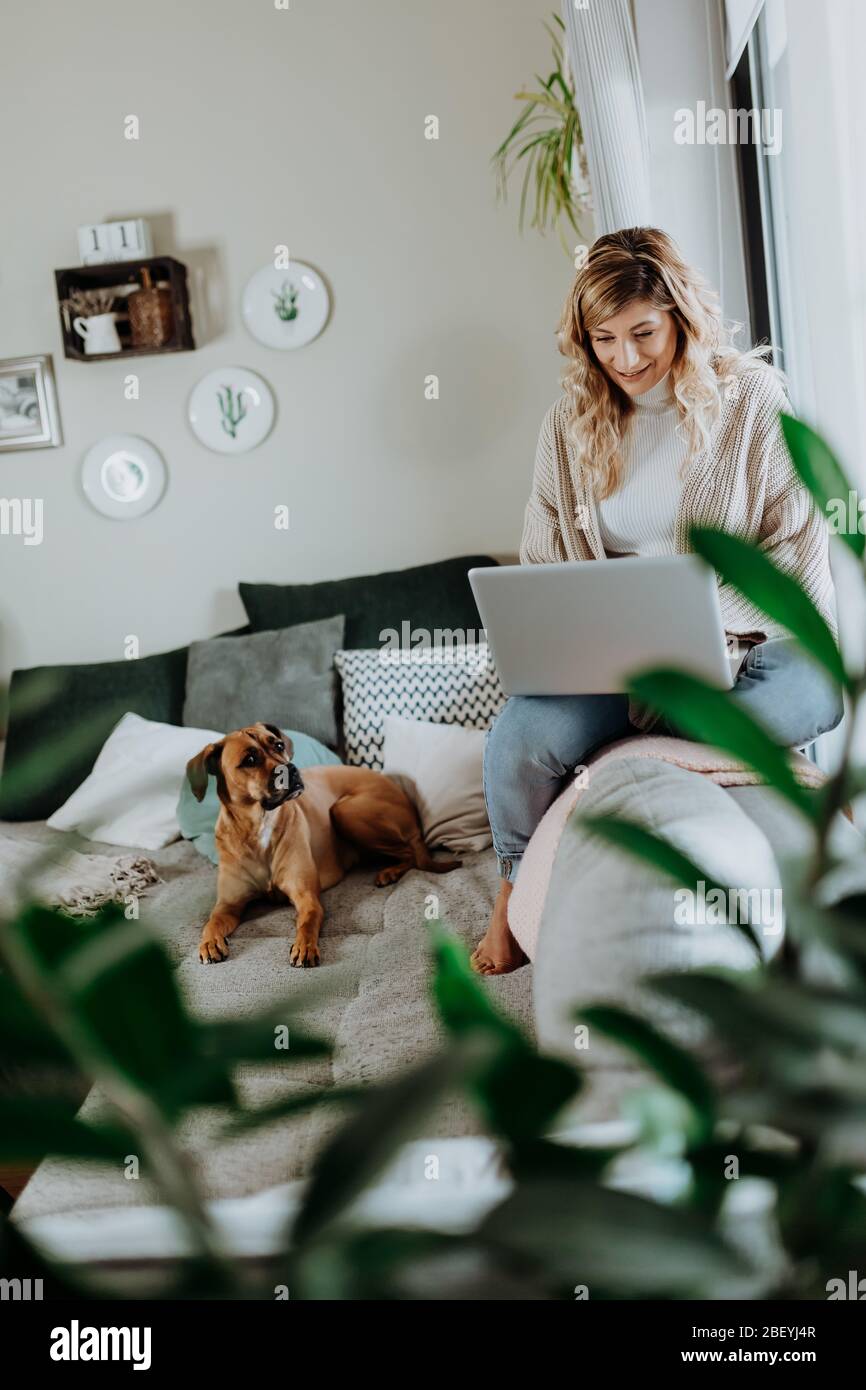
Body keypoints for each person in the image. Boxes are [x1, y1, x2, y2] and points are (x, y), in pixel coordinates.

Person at [471, 226, 842, 976]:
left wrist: (708, 620)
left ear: (681, 316)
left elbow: (796, 557)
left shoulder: (752, 403)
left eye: (643, 332)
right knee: (516, 743)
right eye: (603, 339)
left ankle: (672, 718)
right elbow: (545, 563)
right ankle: (511, 891)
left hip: (743, 651)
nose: (627, 359)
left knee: (813, 692)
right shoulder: (568, 425)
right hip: (611, 663)